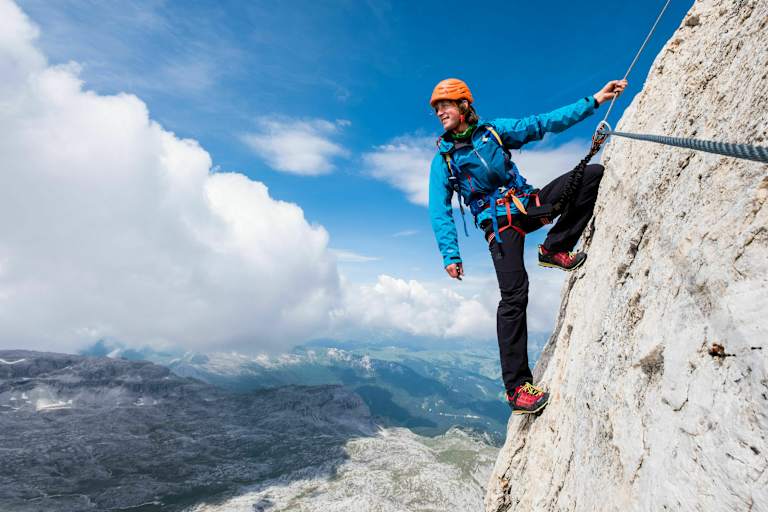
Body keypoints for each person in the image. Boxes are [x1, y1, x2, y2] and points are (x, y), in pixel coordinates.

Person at [428, 77, 627, 414]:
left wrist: (593, 100)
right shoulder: (443, 160)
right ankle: (517, 388)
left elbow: (542, 124)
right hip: (500, 224)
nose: (439, 112)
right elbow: (439, 209)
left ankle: (552, 249)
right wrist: (451, 254)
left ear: (464, 105)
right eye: (436, 108)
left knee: (591, 175)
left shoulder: (493, 132)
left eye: (445, 105)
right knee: (514, 295)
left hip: (526, 202)